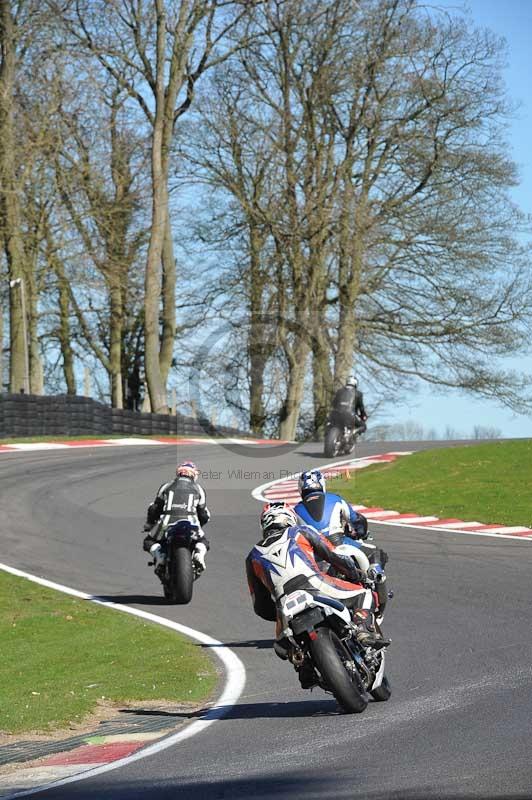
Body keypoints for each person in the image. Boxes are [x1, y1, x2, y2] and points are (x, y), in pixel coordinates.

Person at [245, 502, 389, 686]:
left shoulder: (252, 557)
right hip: (316, 584)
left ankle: (303, 664)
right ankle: (361, 628)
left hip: (284, 606)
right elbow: (332, 555)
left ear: (264, 524)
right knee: (363, 594)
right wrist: (354, 573)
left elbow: (260, 605)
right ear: (290, 518)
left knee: (286, 647)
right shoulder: (301, 531)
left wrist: (277, 614)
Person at [293, 469, 389, 615]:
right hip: (341, 544)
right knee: (376, 553)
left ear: (300, 488)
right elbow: (356, 519)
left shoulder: (295, 511)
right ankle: (377, 580)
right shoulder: (335, 499)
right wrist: (360, 533)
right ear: (322, 484)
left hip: (316, 556)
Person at [142, 461, 210, 573]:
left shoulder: (166, 486)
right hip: (190, 521)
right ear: (194, 474)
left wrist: (149, 523)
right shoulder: (199, 489)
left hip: (167, 521)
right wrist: (201, 523)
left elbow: (155, 508)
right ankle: (199, 554)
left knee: (149, 541)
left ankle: (159, 556)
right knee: (203, 541)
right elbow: (203, 514)